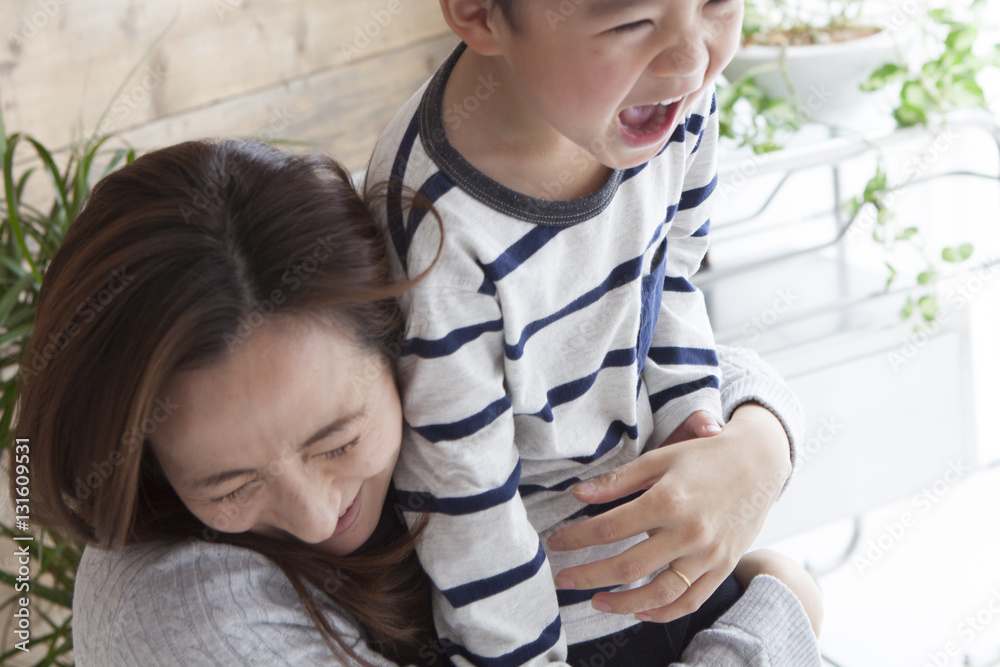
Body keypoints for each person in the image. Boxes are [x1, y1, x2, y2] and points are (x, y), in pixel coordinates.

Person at [13, 140, 820, 666]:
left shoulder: (444, 399)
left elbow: (636, 361)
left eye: (336, 440)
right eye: (229, 485)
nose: (314, 512)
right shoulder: (178, 614)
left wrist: (758, 441)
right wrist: (779, 609)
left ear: (406, 348)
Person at [364, 0, 798, 663]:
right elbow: (461, 491)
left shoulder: (678, 102)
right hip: (555, 615)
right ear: (480, 15)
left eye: (717, 3)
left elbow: (671, 270)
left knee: (787, 599)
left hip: (668, 556)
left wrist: (697, 430)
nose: (690, 60)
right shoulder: (434, 223)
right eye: (630, 24)